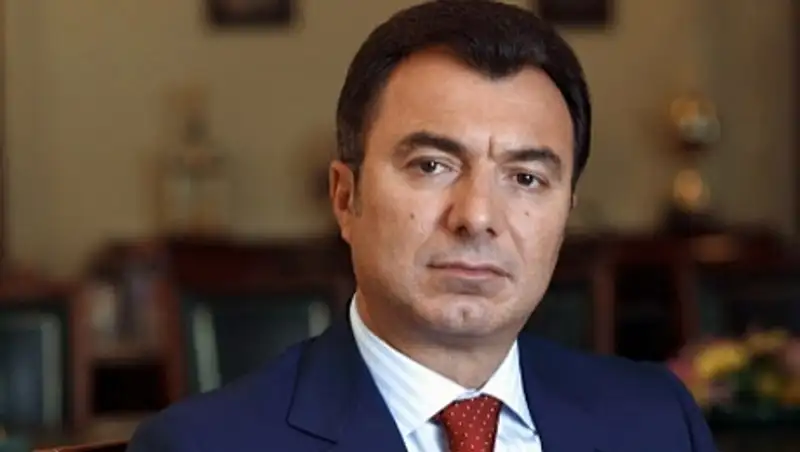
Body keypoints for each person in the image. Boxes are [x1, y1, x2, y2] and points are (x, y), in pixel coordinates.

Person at [128, 1, 717, 451]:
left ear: (566, 212)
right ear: (345, 197)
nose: (477, 218)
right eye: (432, 166)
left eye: (526, 178)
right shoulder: (204, 445)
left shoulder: (658, 421)